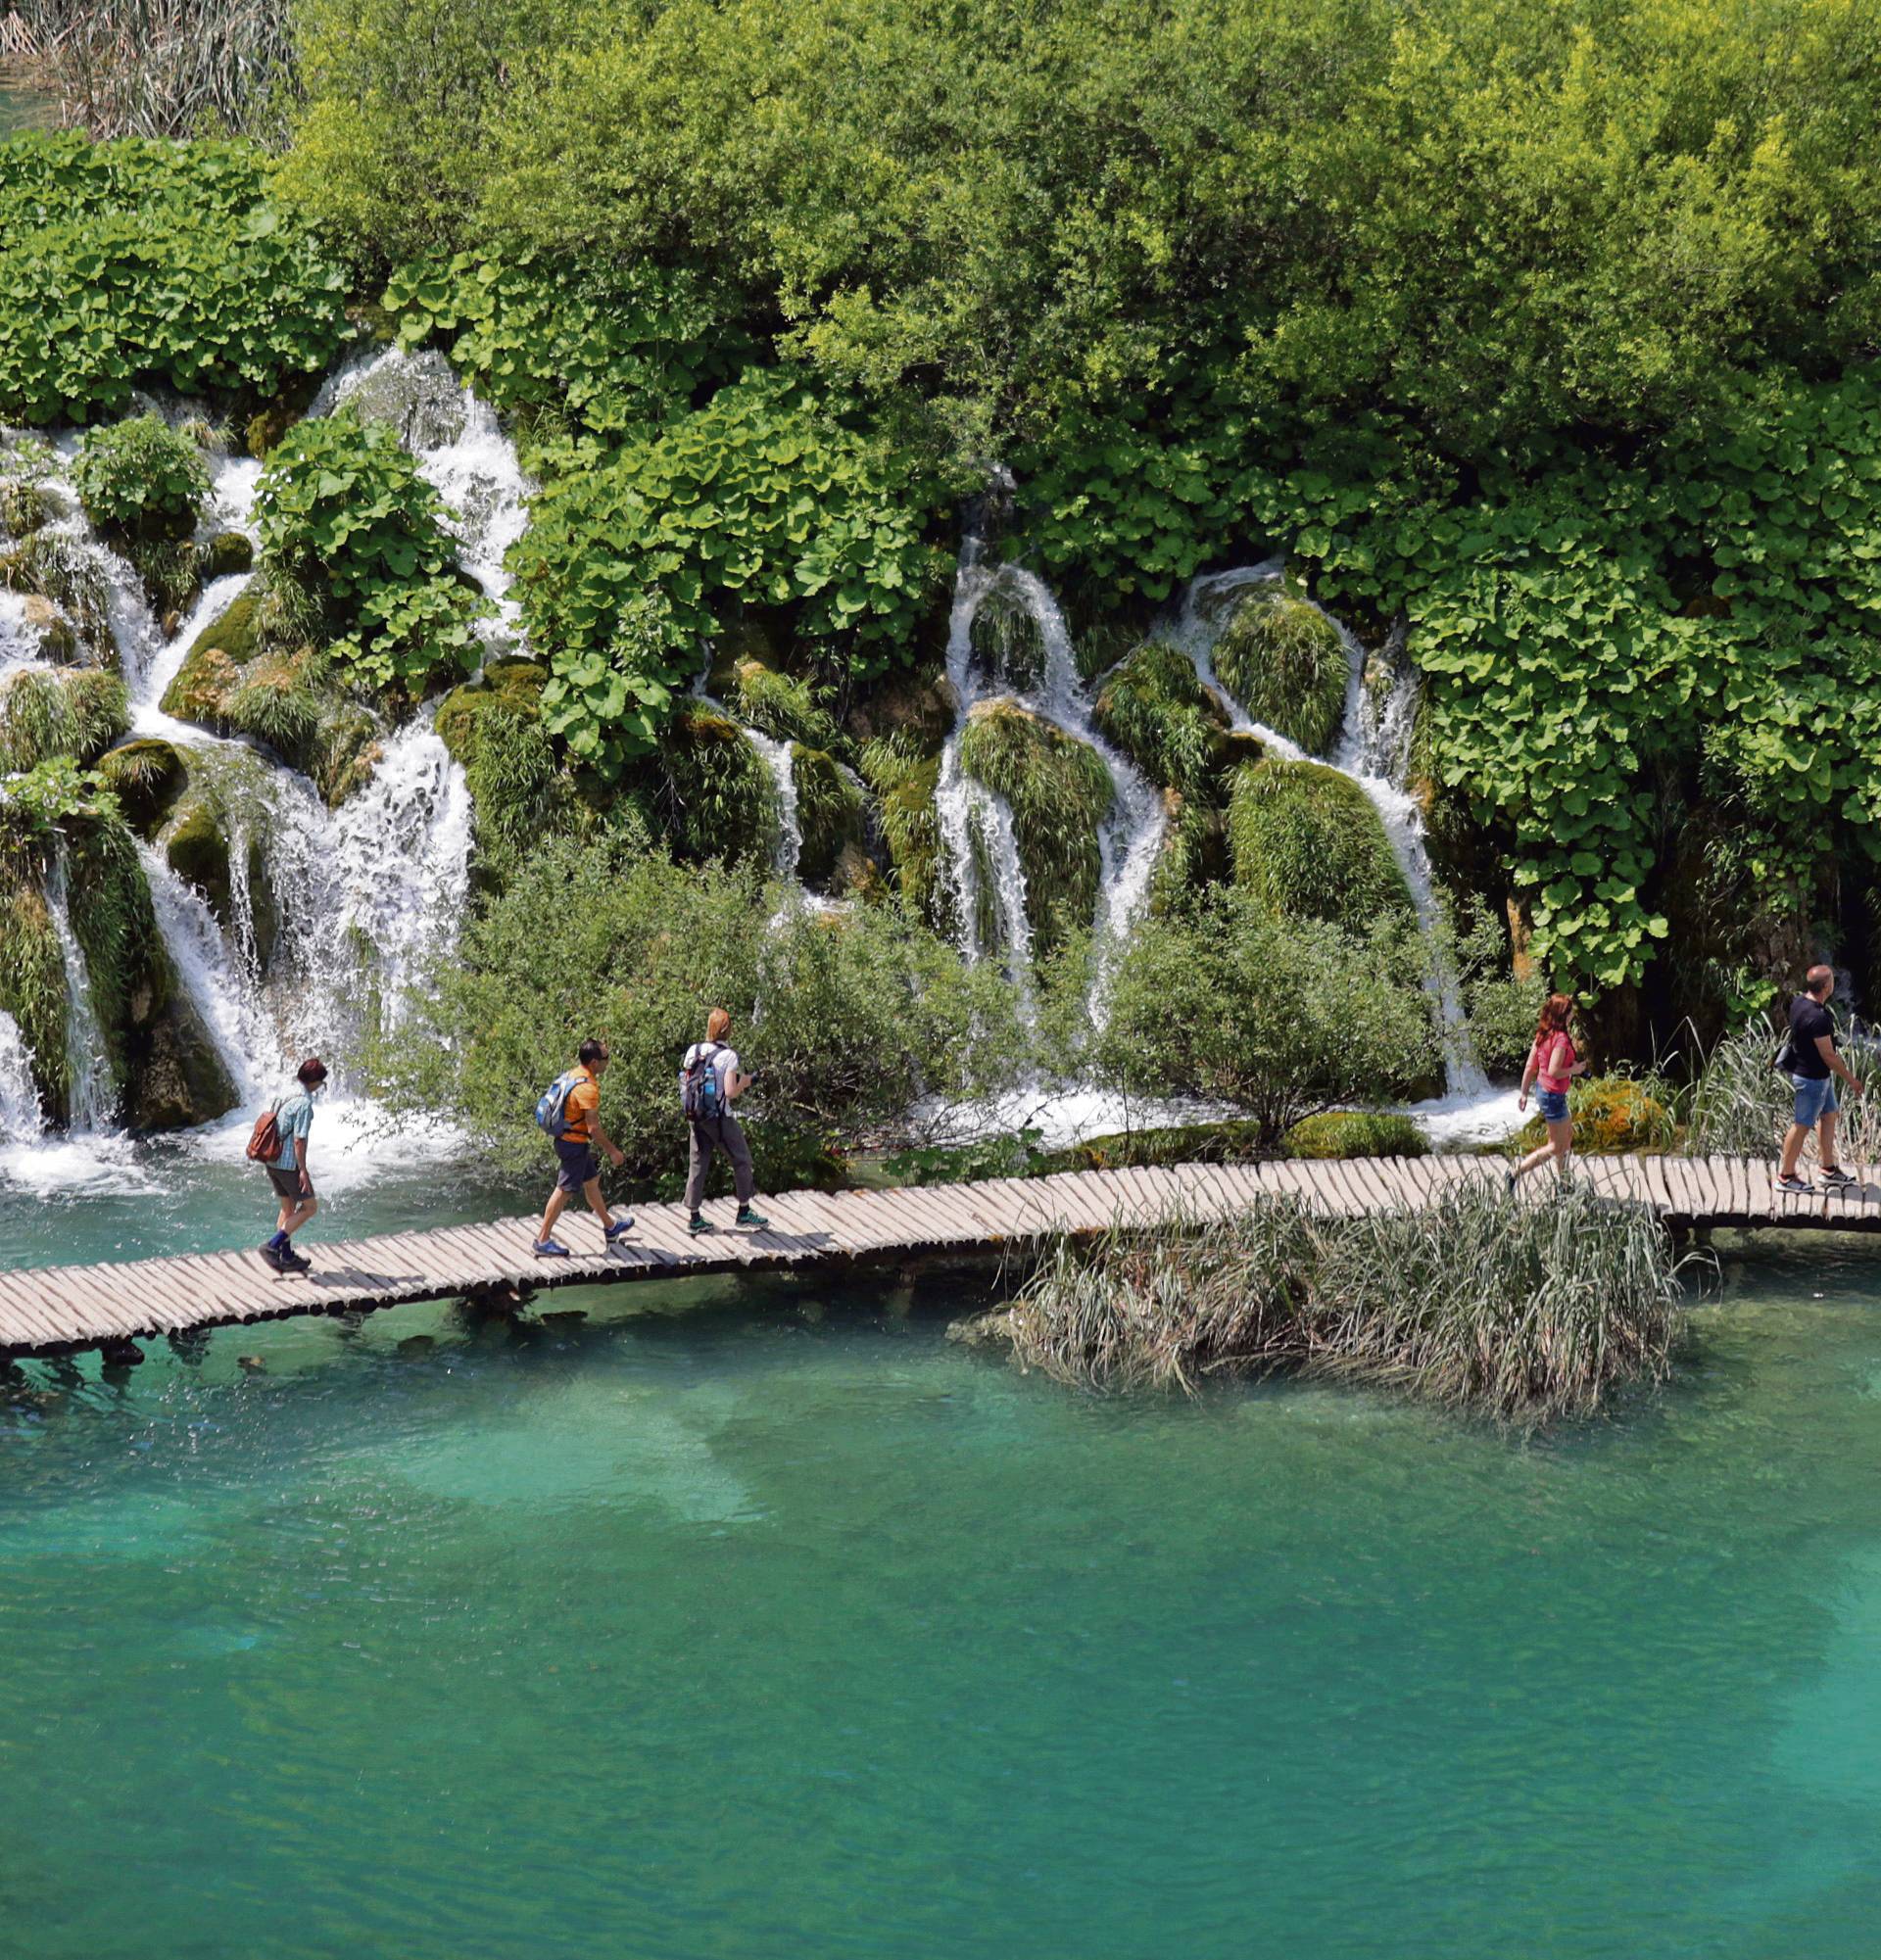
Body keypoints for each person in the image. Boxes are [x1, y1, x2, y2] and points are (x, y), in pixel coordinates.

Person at [534, 1037, 635, 1257]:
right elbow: (594, 1129)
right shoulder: (587, 1089)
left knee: (591, 1182)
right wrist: (613, 1151)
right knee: (564, 1191)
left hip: (568, 1141)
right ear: (594, 1063)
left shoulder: (573, 1075)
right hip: (574, 1146)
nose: (608, 1061)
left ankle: (610, 1227)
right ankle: (542, 1240)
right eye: (605, 1058)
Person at [1775, 965, 1864, 1194]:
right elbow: (1828, 1055)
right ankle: (1785, 1176)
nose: (1834, 983)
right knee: (1802, 1125)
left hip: (1817, 1078)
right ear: (1826, 987)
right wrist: (1851, 1080)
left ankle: (1828, 1169)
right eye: (1832, 980)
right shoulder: (1818, 1017)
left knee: (1829, 1116)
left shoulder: (1798, 1003)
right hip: (1811, 1079)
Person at [680, 1008, 769, 1236]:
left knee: (698, 1163)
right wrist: (746, 1082)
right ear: (727, 1029)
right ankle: (744, 1211)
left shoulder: (694, 1050)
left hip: (696, 1115)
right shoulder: (729, 1056)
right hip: (719, 1119)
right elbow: (730, 1092)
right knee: (742, 1160)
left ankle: (694, 1217)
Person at [1508, 993, 1588, 1192]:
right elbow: (1554, 1071)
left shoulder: (1543, 1034)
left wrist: (1524, 1093)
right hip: (1552, 1096)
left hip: (1544, 1092)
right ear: (1563, 1015)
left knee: (1566, 1136)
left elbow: (1530, 1066)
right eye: (1570, 1012)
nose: (1572, 1015)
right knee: (1555, 1146)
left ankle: (1564, 1185)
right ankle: (1514, 1173)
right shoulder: (1560, 1039)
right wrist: (1576, 1070)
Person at [260, 1056, 328, 1273]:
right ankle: (273, 1246)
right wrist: (303, 1171)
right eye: (321, 1082)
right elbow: (299, 1139)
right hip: (288, 1164)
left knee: (288, 1208)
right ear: (314, 1081)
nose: (321, 1086)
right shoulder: (304, 1103)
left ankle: (287, 1256)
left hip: (272, 1159)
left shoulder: (285, 1092)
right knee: (310, 1207)